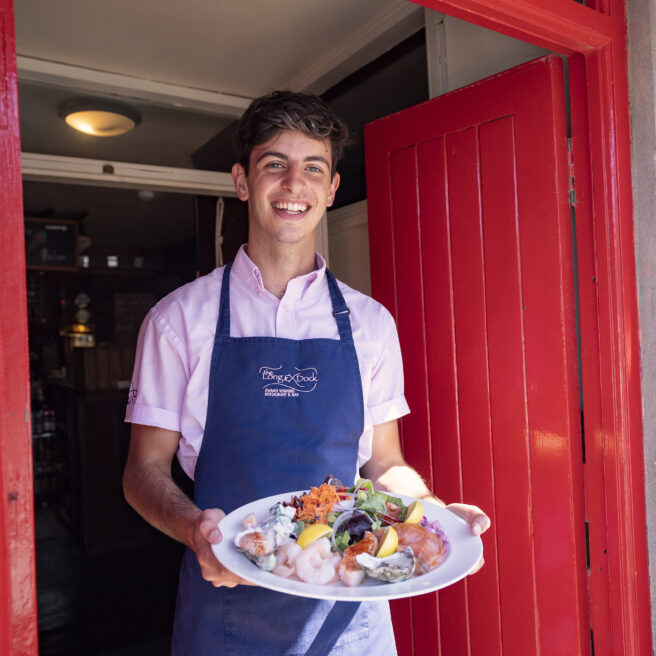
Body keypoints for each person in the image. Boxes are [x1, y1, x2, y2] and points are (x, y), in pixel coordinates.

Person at [122, 90, 490, 656]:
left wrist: (434, 515)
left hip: (350, 613)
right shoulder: (179, 320)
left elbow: (384, 463)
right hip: (226, 602)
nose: (295, 184)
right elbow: (143, 471)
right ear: (243, 182)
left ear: (331, 189)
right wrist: (195, 531)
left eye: (313, 168)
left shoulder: (371, 324)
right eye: (275, 164)